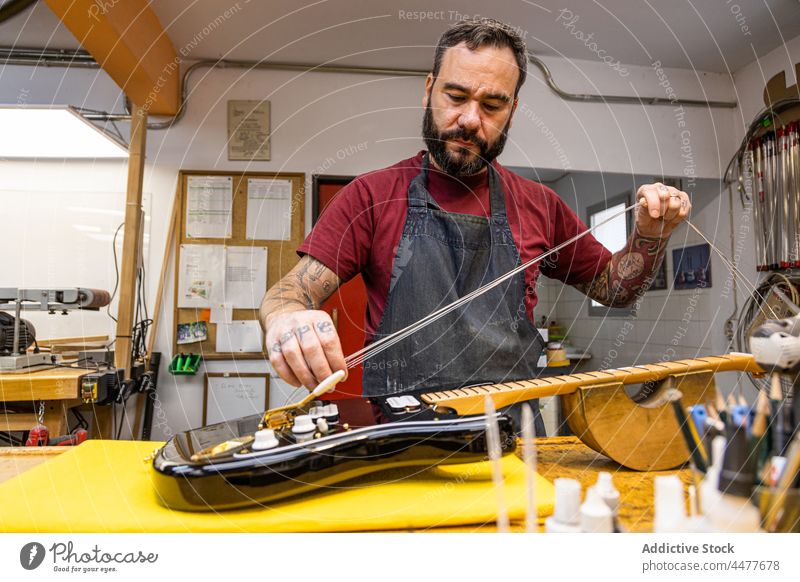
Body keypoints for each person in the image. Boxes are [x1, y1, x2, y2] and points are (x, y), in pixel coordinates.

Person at [259, 19, 690, 424]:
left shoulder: (541, 204)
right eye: (456, 96)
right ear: (429, 90)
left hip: (512, 441)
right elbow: (288, 293)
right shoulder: (369, 197)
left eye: (491, 104)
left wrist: (649, 236)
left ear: (512, 110)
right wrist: (286, 318)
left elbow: (614, 289)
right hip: (399, 443)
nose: (469, 119)